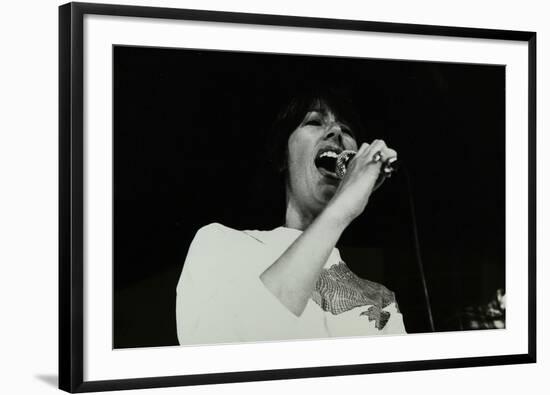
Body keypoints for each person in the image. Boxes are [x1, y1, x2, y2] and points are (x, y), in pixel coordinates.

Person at [176, 87, 407, 345]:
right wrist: (341, 208)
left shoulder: (380, 299)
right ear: (282, 157)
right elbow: (226, 352)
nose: (337, 132)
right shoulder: (220, 244)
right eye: (314, 121)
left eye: (347, 129)